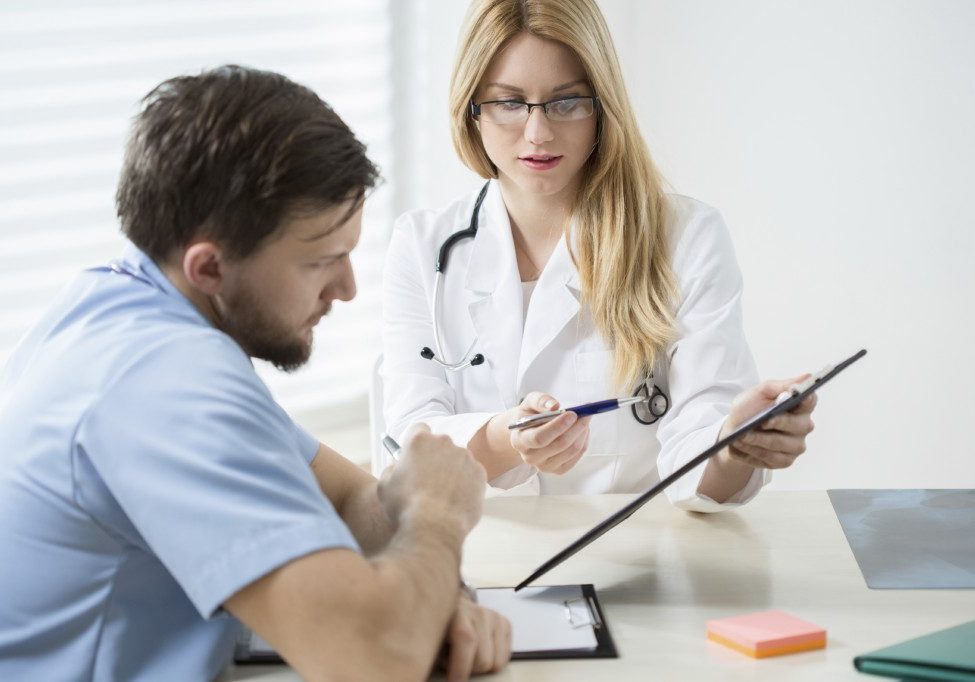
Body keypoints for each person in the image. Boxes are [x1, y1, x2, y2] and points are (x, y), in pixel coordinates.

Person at [0, 66, 510, 682]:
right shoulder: (166, 387)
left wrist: (427, 592)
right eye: (322, 261)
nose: (346, 289)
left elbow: (351, 500)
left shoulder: (124, 306)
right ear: (209, 267)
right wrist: (440, 517)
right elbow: (375, 659)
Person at [381, 0, 817, 507]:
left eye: (567, 102)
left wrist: (735, 446)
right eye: (509, 103)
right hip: (477, 559)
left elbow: (700, 457)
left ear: (601, 108)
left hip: (636, 566)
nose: (538, 133)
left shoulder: (687, 237)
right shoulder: (421, 247)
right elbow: (407, 455)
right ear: (470, 108)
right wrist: (505, 440)